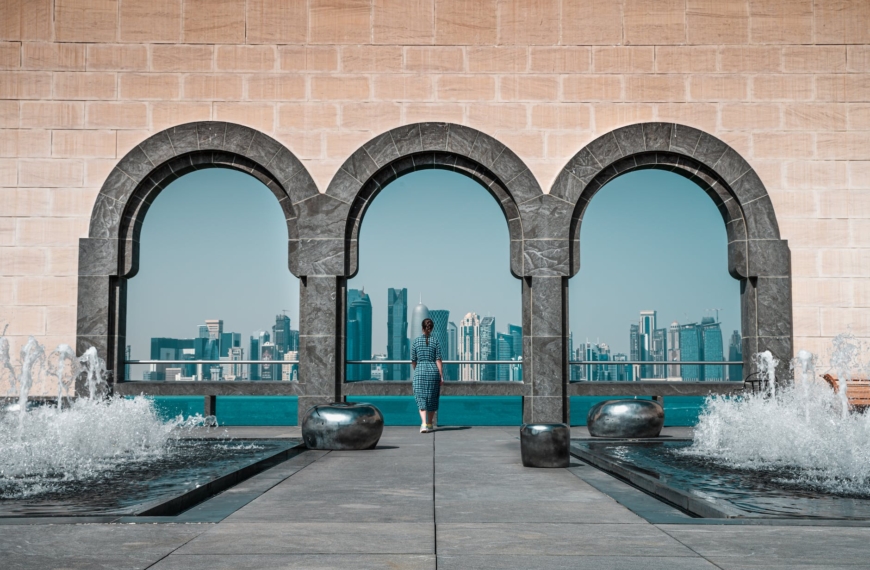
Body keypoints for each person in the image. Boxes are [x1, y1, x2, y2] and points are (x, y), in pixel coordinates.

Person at [411, 318, 443, 433]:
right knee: (432, 398)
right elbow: (438, 360)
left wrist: (417, 369)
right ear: (431, 328)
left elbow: (413, 360)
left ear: (422, 328)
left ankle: (423, 423)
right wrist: (441, 375)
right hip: (433, 372)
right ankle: (430, 423)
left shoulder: (416, 342)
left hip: (420, 371)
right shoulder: (435, 341)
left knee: (421, 398)